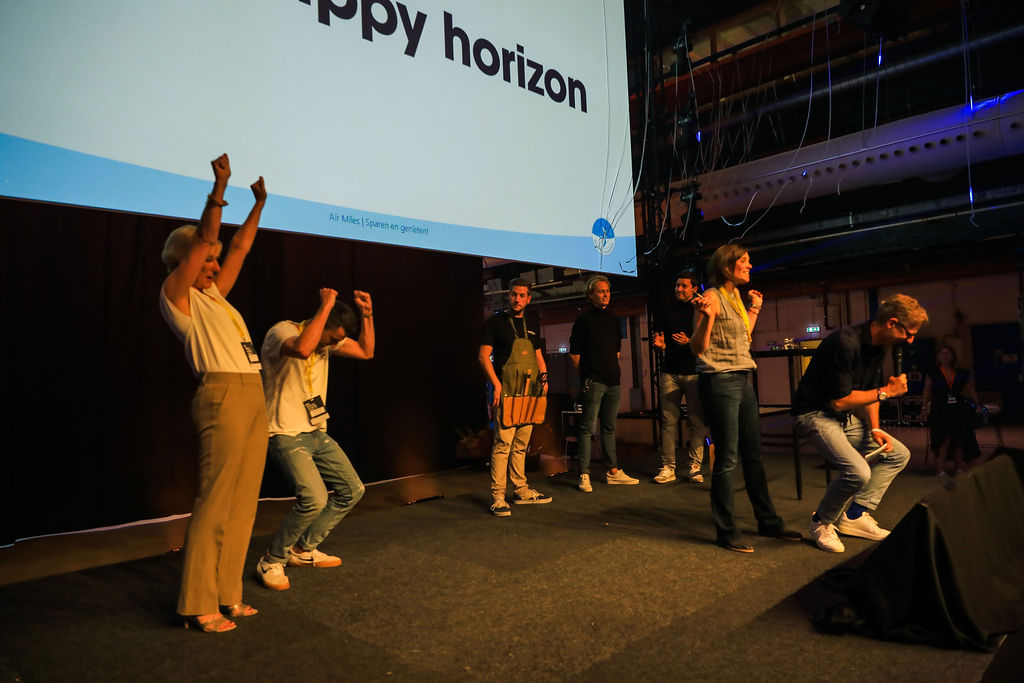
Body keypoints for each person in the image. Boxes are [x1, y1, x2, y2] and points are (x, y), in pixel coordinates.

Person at [159, 154, 268, 632]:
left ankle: (228, 594)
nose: (215, 263)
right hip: (221, 394)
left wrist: (259, 204)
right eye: (207, 259)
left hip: (253, 394)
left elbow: (239, 247)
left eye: (214, 260)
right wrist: (219, 187)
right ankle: (198, 602)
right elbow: (207, 239)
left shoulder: (215, 295)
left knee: (243, 502)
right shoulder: (177, 294)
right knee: (216, 498)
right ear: (186, 260)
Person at [255, 287, 375, 590]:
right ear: (321, 323)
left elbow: (366, 351)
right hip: (285, 432)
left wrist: (367, 315)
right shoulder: (282, 332)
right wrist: (326, 305)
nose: (334, 345)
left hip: (316, 432)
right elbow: (302, 349)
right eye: (332, 339)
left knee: (352, 489)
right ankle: (272, 560)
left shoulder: (325, 340)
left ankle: (302, 549)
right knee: (314, 498)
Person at [793, 294, 929, 553]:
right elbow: (840, 401)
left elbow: (869, 393)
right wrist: (887, 392)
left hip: (841, 417)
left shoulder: (878, 347)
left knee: (898, 454)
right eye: (909, 333)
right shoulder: (845, 342)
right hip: (814, 414)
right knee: (858, 472)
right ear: (891, 323)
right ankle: (821, 521)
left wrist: (875, 428)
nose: (910, 340)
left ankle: (855, 515)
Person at [691, 244, 801, 552]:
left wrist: (754, 309)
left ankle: (768, 523)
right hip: (719, 381)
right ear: (727, 267)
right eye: (744, 261)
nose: (750, 266)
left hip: (742, 380)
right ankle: (726, 531)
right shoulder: (712, 297)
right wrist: (707, 318)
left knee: (753, 455)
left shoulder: (736, 296)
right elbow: (697, 348)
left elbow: (744, 337)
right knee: (727, 458)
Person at [479, 279, 553, 516]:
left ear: (528, 299)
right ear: (508, 296)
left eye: (522, 295)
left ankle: (520, 490)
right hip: (508, 393)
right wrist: (496, 385)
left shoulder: (532, 324)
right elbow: (483, 356)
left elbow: (539, 357)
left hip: (529, 394)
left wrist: (544, 380)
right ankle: (498, 497)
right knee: (503, 446)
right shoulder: (495, 323)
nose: (517, 299)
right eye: (513, 294)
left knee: (521, 446)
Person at [570, 275, 639, 491]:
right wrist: (586, 378)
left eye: (607, 291)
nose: (605, 294)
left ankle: (613, 471)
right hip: (594, 380)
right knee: (587, 428)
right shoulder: (583, 321)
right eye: (600, 291)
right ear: (590, 295)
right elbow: (574, 355)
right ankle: (584, 474)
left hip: (613, 381)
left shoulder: (613, 320)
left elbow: (616, 351)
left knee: (609, 427)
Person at [652, 271, 709, 484]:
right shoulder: (666, 312)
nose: (679, 289)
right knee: (668, 421)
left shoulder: (702, 311)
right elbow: (660, 341)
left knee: (696, 420)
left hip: (695, 372)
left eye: (684, 286)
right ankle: (668, 467)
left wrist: (689, 342)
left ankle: (695, 467)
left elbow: (708, 342)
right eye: (677, 285)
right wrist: (660, 346)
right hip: (670, 371)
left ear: (694, 288)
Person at [922, 343, 982, 477]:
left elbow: (970, 389)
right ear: (938, 356)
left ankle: (959, 468)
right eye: (942, 353)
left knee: (959, 437)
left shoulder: (961, 372)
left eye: (947, 353)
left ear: (953, 356)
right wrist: (924, 407)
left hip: (957, 408)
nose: (945, 356)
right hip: (940, 408)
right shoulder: (933, 373)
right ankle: (940, 470)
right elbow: (927, 390)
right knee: (943, 438)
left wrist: (977, 404)